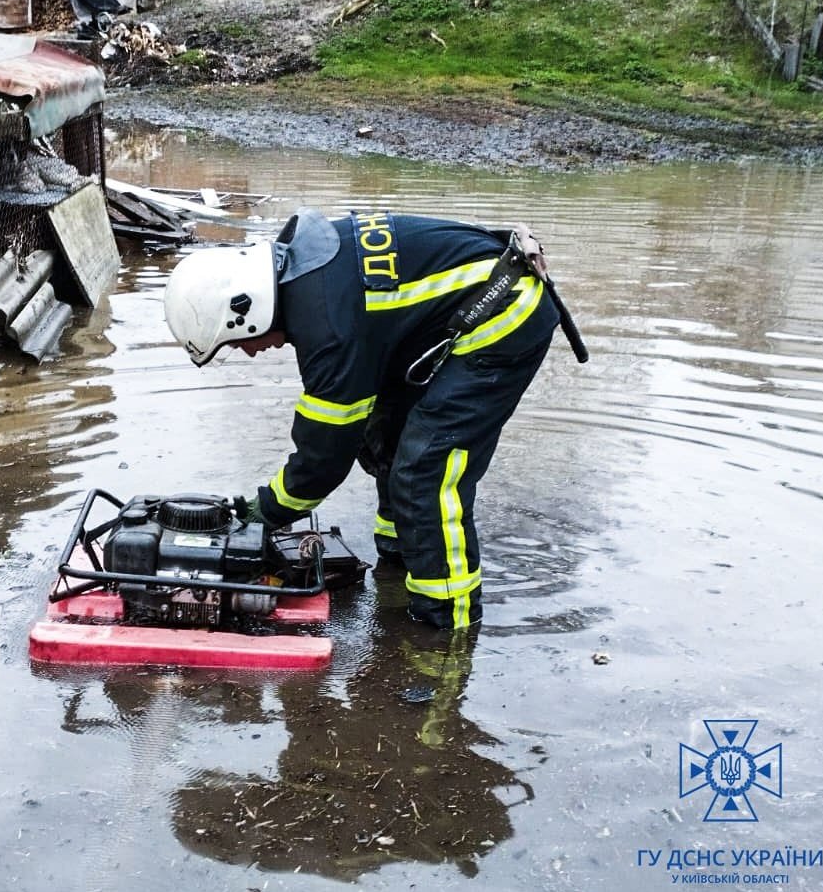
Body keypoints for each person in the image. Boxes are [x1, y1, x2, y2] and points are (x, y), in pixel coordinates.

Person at [163, 208, 576, 630]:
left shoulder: (327, 325)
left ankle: (446, 626)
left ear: (246, 311)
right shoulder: (304, 275)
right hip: (459, 309)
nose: (248, 352)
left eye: (237, 342)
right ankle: (399, 558)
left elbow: (323, 459)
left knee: (426, 470)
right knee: (386, 435)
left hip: (504, 315)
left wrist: (264, 513)